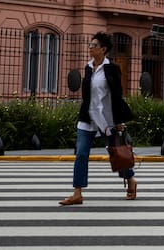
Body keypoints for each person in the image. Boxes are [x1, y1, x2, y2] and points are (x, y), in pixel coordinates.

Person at [60, 32, 136, 205]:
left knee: (115, 154)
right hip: (87, 117)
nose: (90, 48)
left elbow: (117, 96)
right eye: (90, 45)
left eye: (94, 45)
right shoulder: (88, 68)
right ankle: (77, 192)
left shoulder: (112, 69)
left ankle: (130, 180)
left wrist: (118, 121)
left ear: (103, 49)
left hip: (106, 119)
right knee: (81, 154)